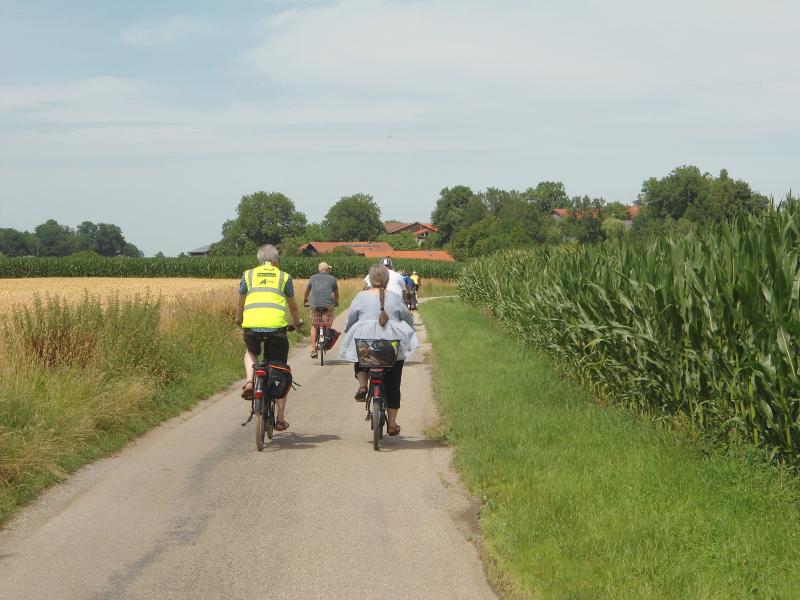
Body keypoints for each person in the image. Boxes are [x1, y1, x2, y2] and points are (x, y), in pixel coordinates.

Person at [340, 264, 419, 436]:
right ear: (387, 280)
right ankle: (392, 424)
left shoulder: (361, 296)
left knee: (359, 354)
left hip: (367, 344)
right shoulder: (395, 297)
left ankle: (363, 386)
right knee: (394, 381)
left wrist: (350, 329)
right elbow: (407, 318)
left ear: (369, 279)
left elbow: (351, 319)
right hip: (389, 347)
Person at [235, 244, 302, 432]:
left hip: (251, 327)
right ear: (275, 261)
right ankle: (280, 419)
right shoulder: (284, 276)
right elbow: (293, 307)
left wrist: (239, 320)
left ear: (259, 260)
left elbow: (241, 301)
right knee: (280, 370)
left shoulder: (248, 275)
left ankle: (250, 382)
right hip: (276, 329)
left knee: (251, 351)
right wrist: (297, 322)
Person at [303, 261, 339, 359]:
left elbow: (306, 291)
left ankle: (314, 349)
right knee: (328, 322)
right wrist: (336, 302)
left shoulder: (312, 278)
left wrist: (305, 300)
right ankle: (326, 336)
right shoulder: (332, 279)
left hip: (314, 305)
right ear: (327, 269)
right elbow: (336, 293)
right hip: (328, 305)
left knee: (314, 325)